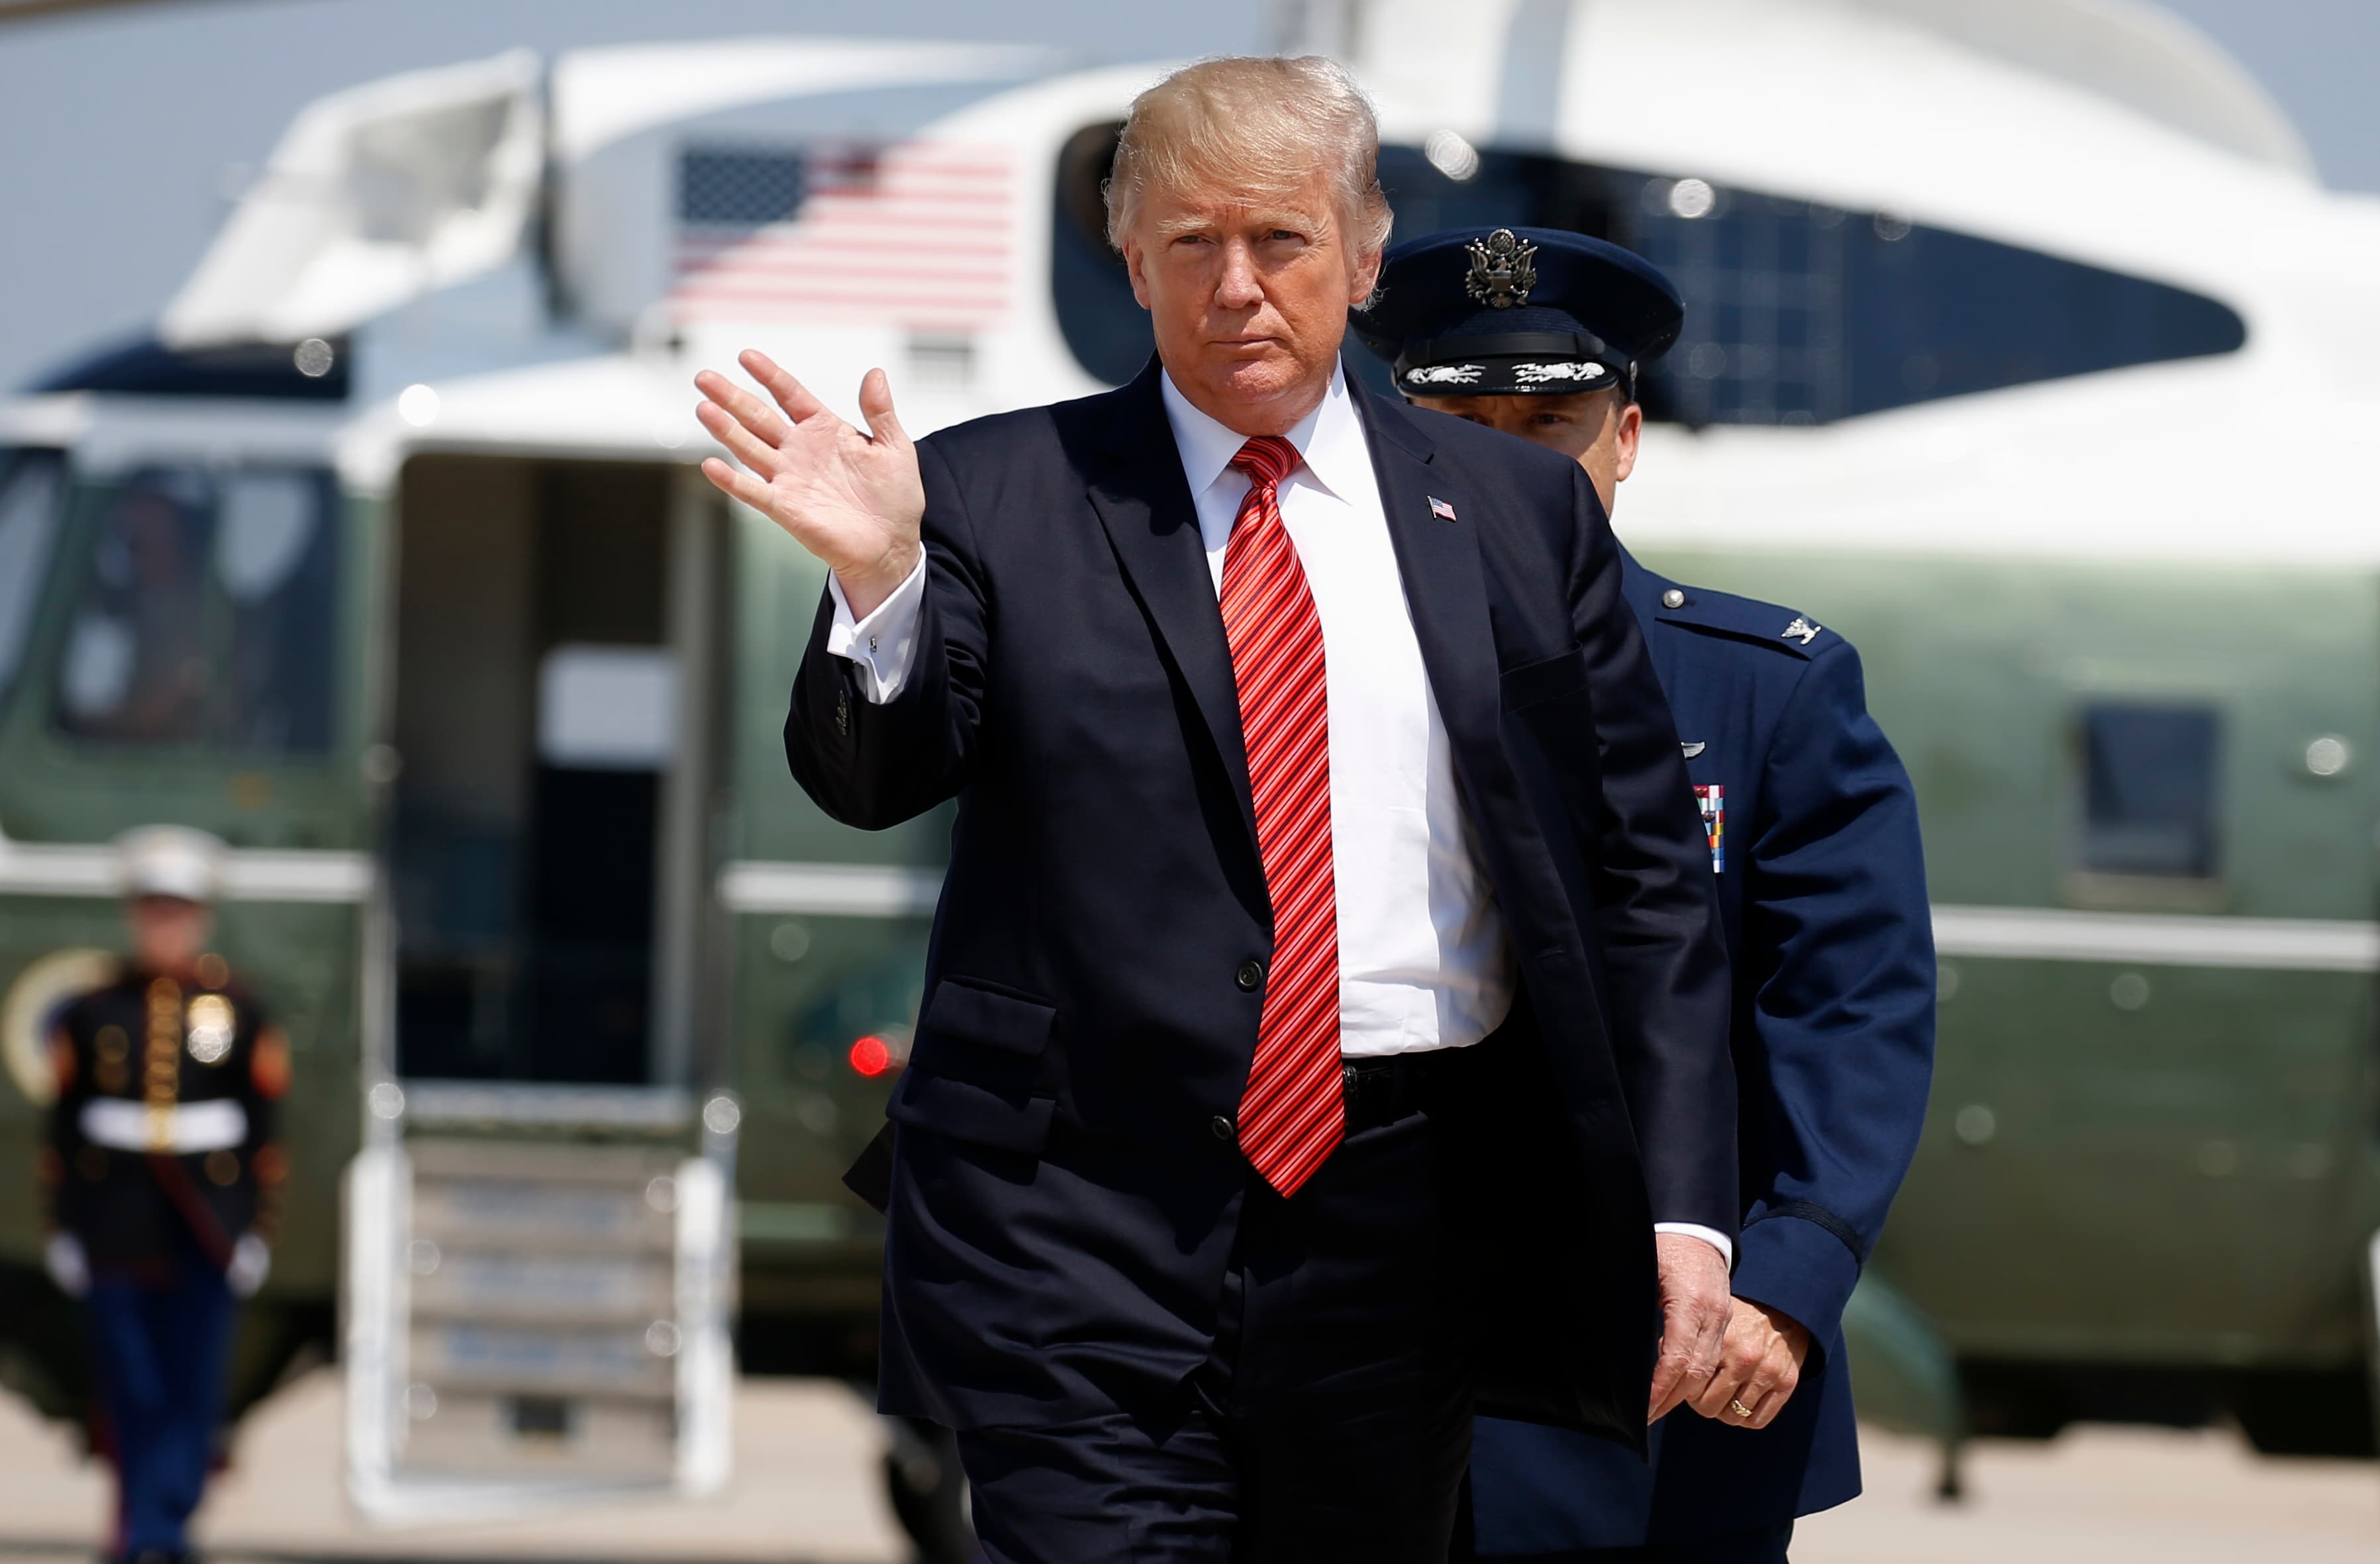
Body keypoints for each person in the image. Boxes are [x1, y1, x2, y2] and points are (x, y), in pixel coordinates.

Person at [694, 56, 1738, 1563]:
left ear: (1363, 257)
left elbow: (1644, 881)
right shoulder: (989, 493)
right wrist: (878, 584)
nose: (1235, 285)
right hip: (1072, 1210)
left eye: (1280, 240)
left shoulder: (1517, 515)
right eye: (1191, 242)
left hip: (1405, 1217)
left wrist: (1684, 1211)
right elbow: (871, 779)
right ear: (1131, 262)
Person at [1361, 228, 1936, 1563]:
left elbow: (1849, 1016)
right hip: (1357, 1339)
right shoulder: (1291, 674)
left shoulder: (1763, 690)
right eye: (1461, 426)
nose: (1506, 464)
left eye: (1546, 427)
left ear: (1623, 441)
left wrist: (1787, 1277)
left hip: (1662, 1360)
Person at [39, 826, 289, 1564]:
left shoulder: (231, 1010)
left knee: (192, 1380)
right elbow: (63, 1128)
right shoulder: (94, 1009)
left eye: (178, 911)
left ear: (201, 918)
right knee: (130, 1378)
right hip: (116, 1217)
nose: (166, 926)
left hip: (204, 1216)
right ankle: (142, 1524)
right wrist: (64, 1224)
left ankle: (166, 1525)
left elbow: (261, 1125)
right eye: (154, 910)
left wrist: (256, 1225)